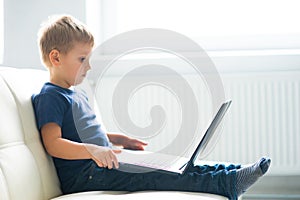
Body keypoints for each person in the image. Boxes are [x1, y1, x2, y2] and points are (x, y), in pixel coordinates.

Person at [32, 15, 271, 200]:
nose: (89, 66)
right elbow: (53, 144)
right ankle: (227, 184)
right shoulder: (50, 96)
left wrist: (117, 139)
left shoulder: (75, 93)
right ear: (56, 58)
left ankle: (229, 171)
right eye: (82, 59)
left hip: (102, 164)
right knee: (159, 176)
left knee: (172, 164)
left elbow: (82, 133)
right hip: (86, 175)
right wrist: (92, 151)